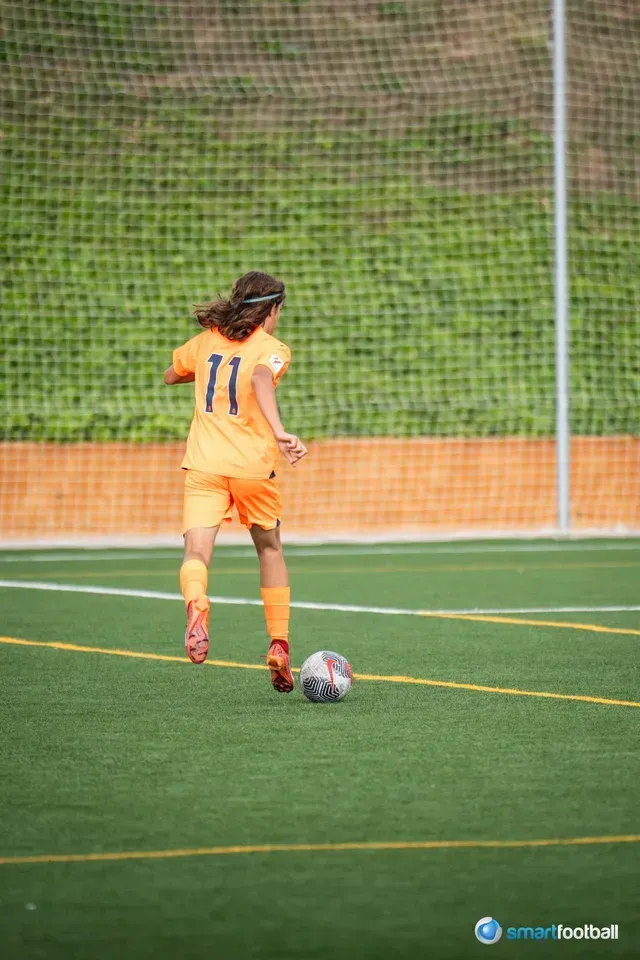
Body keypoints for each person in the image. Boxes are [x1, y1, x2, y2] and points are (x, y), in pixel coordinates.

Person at [164, 271, 307, 692]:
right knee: (269, 549)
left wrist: (202, 375)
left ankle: (198, 603)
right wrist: (280, 431)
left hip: (204, 465)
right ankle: (279, 642)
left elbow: (172, 374)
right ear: (273, 310)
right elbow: (261, 378)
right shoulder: (272, 348)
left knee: (196, 551)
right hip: (251, 468)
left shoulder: (207, 339)